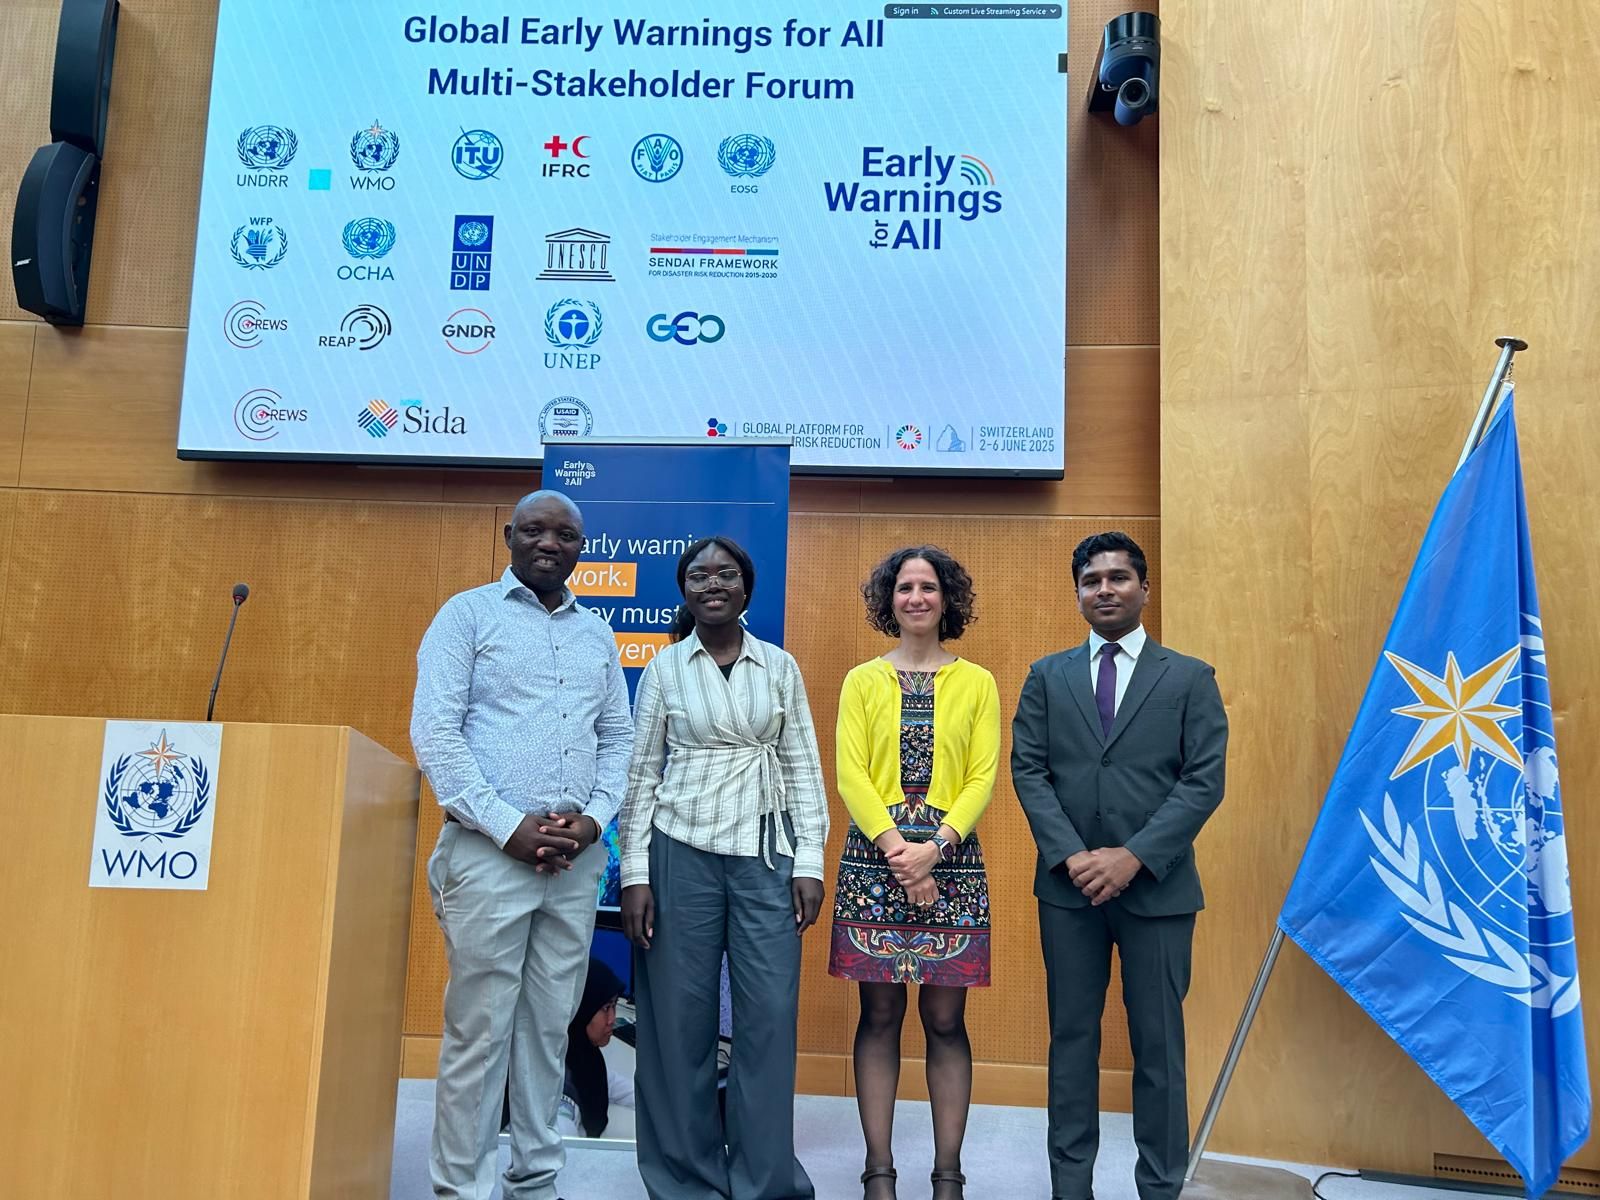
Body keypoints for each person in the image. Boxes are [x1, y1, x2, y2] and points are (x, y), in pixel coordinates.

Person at [411, 490, 633, 1200]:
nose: (548, 543)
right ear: (508, 535)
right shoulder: (466, 616)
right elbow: (437, 736)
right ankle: (462, 1188)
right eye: (533, 530)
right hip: (488, 852)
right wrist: (507, 825)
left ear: (580, 547)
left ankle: (535, 1180)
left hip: (574, 862)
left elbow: (618, 739)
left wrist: (596, 819)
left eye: (564, 534)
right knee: (480, 1031)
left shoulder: (596, 634)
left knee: (546, 1028)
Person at [1011, 531, 1228, 1200]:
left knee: (1159, 1050)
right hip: (1069, 891)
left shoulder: (1189, 677)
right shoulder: (1049, 675)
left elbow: (1203, 780)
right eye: (1091, 580)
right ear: (1078, 593)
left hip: (1157, 892)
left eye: (1118, 578)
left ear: (1144, 588)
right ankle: (1069, 1188)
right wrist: (1073, 856)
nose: (1104, 589)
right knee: (1071, 1042)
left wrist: (1133, 856)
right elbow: (1029, 768)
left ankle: (1161, 1186)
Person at [619, 535, 829, 1200]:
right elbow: (641, 775)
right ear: (683, 590)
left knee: (767, 1018)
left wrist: (811, 859)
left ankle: (765, 1181)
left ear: (747, 588)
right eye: (700, 575)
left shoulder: (779, 668)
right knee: (679, 1022)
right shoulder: (664, 670)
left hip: (767, 855)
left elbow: (802, 767)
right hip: (679, 850)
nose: (714, 584)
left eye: (727, 574)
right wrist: (636, 875)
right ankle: (686, 1179)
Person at [828, 546, 1000, 1200]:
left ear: (947, 599)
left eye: (929, 586)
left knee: (946, 1020)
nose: (918, 597)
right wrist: (903, 851)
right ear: (889, 599)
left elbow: (983, 775)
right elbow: (851, 775)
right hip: (874, 862)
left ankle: (948, 1174)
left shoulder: (977, 682)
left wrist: (938, 847)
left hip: (954, 865)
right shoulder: (862, 680)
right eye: (905, 586)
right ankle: (879, 1171)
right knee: (877, 1016)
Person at [556, 957, 634, 1139]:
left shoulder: (583, 1061)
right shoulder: (561, 1097)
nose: (612, 1020)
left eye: (615, 1006)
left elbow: (619, 1087)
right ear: (581, 1010)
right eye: (606, 1008)